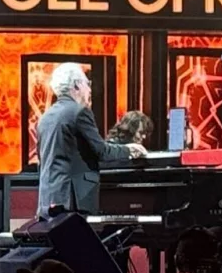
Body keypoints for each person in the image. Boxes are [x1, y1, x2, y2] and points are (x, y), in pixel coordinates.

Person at [35, 63, 145, 215]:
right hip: (73, 200)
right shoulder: (79, 112)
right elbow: (102, 151)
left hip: (48, 199)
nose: (90, 90)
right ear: (77, 85)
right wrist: (129, 150)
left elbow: (41, 159)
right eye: (87, 84)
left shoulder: (45, 117)